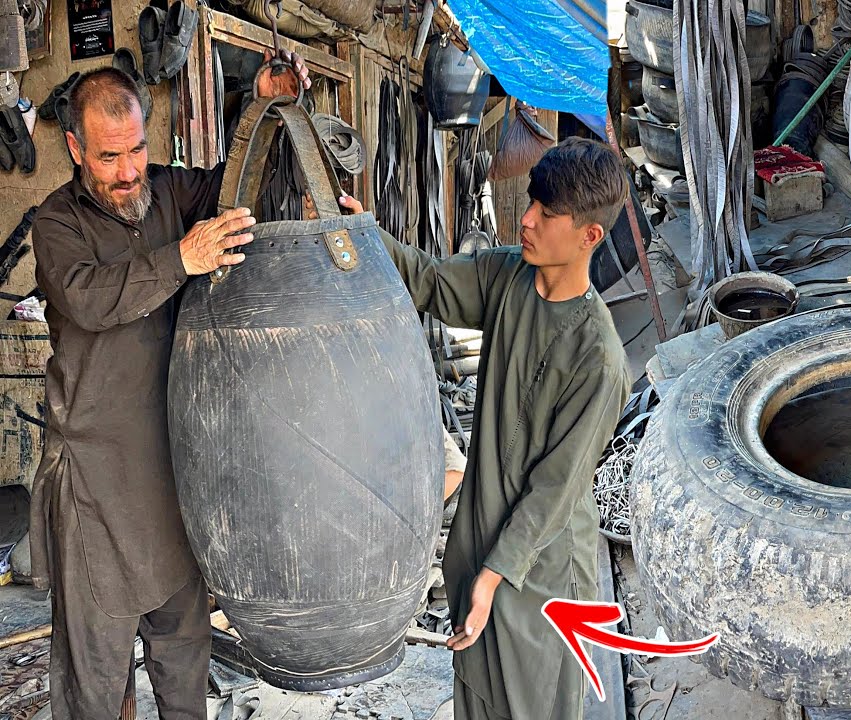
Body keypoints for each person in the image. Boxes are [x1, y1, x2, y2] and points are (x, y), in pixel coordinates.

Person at [29, 52, 309, 719]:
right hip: (95, 483)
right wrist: (182, 257)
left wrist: (262, 109)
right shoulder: (55, 224)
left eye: (136, 150)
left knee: (184, 656)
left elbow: (245, 187)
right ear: (74, 148)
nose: (128, 173)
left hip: (174, 470)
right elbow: (89, 299)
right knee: (95, 676)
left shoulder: (172, 193)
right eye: (107, 158)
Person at [340, 137, 631, 720]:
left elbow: (556, 488)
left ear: (588, 236)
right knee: (474, 698)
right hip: (479, 548)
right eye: (532, 204)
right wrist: (368, 238)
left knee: (532, 705)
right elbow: (430, 283)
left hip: (541, 575)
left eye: (546, 214)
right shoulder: (508, 278)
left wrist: (496, 576)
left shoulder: (598, 358)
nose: (525, 220)